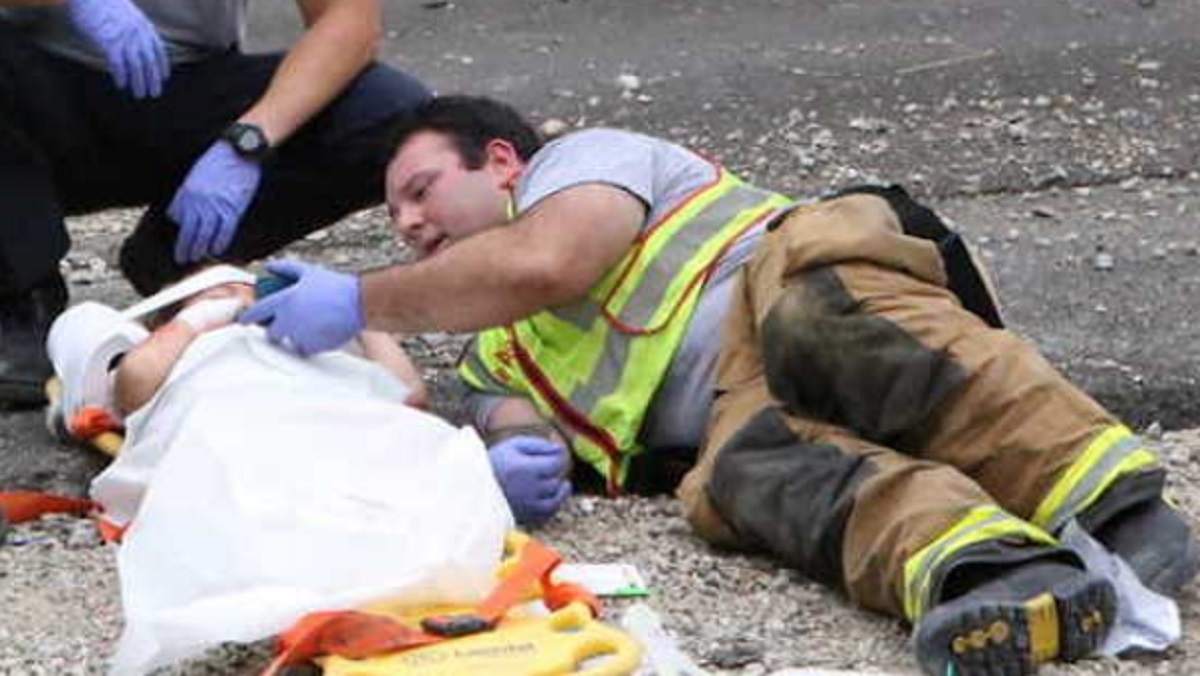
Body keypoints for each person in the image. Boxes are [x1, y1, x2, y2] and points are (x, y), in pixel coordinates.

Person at [237, 96, 1199, 676]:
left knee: (824, 314)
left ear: (499, 163)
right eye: (391, 214)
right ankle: (992, 574)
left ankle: (1112, 505)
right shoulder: (491, 349)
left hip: (788, 276)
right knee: (737, 478)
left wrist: (363, 297)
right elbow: (515, 421)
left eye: (419, 190)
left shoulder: (583, 164)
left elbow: (550, 262)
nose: (404, 222)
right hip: (741, 405)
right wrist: (506, 458)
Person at [0, 0, 432, 406]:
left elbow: (348, 21)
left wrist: (249, 140)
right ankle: (22, 300)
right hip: (39, 92)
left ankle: (183, 260)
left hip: (192, 85)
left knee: (392, 113)